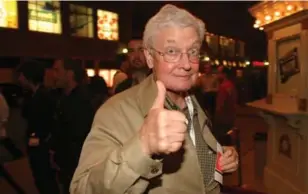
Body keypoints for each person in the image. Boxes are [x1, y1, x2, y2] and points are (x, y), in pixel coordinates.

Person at [71, 4, 239, 194]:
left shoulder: (194, 101)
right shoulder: (116, 111)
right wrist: (142, 147)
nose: (186, 64)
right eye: (171, 52)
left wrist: (219, 156)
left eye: (192, 52)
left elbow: (194, 164)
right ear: (150, 58)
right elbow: (82, 189)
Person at [50, 59, 95, 194]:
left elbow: (79, 134)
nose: (53, 75)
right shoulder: (63, 98)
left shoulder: (81, 101)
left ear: (69, 74)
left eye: (57, 70)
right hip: (67, 164)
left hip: (77, 164)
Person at [17, 60, 60, 194]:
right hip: (39, 146)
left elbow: (40, 127)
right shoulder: (34, 95)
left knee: (45, 181)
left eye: (21, 75)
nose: (19, 79)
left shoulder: (41, 97)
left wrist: (33, 145)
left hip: (41, 148)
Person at [214, 66, 237, 145]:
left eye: (218, 73)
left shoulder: (223, 87)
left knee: (223, 142)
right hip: (230, 117)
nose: (217, 75)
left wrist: (216, 117)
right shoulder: (231, 85)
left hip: (223, 119)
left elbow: (220, 105)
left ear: (224, 75)